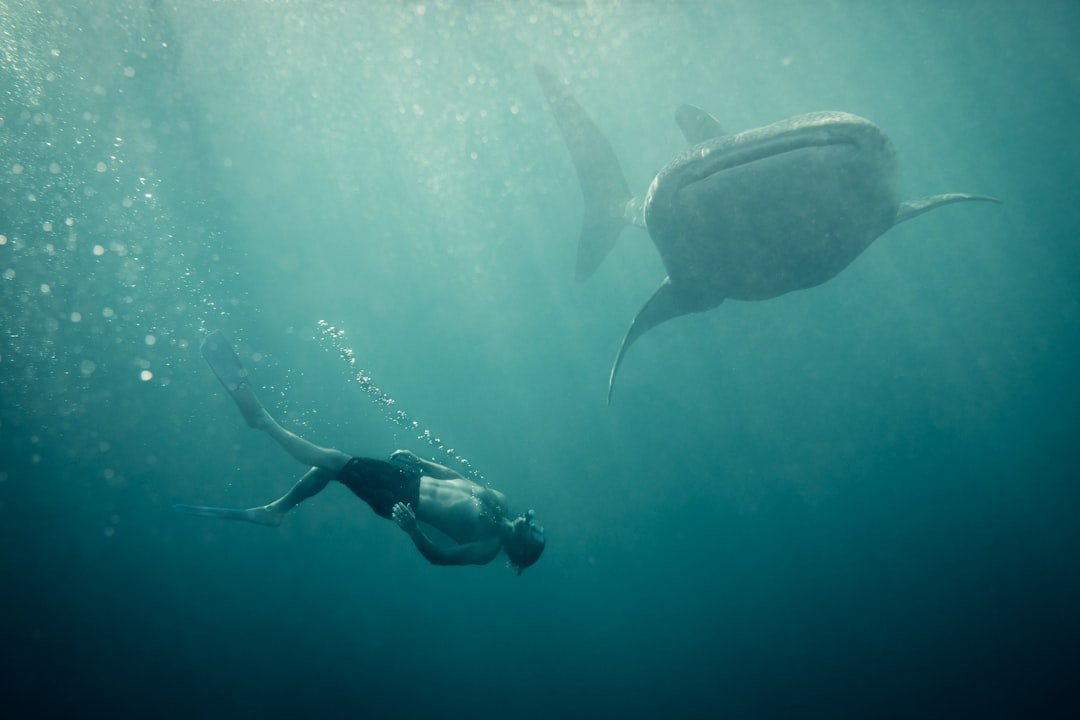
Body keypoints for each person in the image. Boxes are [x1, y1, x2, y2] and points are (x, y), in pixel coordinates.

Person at [175, 331, 545, 574]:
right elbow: (454, 478)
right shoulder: (498, 499)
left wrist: (413, 529)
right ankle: (277, 510)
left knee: (334, 460)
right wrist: (422, 462)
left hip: (402, 504)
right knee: (331, 469)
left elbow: (440, 557)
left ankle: (261, 421)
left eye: (535, 537)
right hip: (408, 478)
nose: (533, 526)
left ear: (521, 553)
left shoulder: (487, 548)